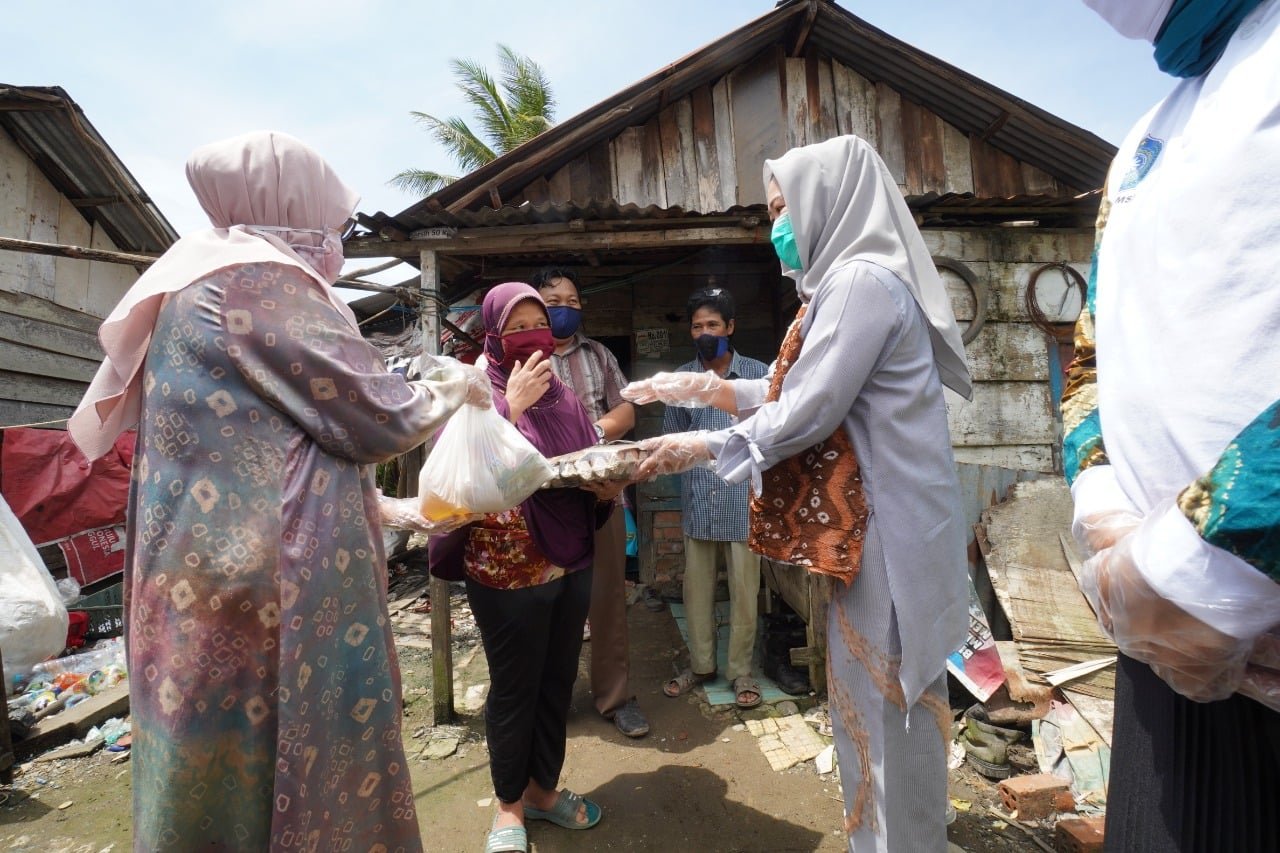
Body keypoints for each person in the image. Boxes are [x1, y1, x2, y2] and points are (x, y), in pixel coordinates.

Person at [67, 131, 489, 851]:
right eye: (334, 226)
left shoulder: (190, 286)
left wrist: (380, 507)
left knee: (212, 798)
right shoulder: (256, 282)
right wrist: (454, 379)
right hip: (263, 610)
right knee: (281, 792)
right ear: (291, 212)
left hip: (198, 593)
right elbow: (377, 414)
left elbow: (257, 453)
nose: (337, 245)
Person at [625, 135, 972, 851]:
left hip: (891, 540)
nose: (775, 226)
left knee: (886, 718)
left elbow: (810, 409)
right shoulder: (845, 287)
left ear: (829, 203)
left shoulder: (861, 285)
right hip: (886, 530)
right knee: (877, 717)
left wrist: (698, 442)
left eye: (783, 209)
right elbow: (792, 390)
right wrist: (715, 390)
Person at [1061, 2, 1280, 849]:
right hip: (1169, 651)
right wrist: (1104, 498)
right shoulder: (1147, 139)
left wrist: (1212, 564)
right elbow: (1092, 352)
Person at [431, 282, 620, 853]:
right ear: (492, 333)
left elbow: (588, 453)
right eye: (515, 326)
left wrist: (607, 483)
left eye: (537, 323)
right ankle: (508, 809)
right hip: (505, 572)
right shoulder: (474, 392)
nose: (529, 334)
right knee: (515, 689)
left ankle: (543, 792)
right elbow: (456, 475)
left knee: (557, 683)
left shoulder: (562, 393)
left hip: (571, 561)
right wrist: (508, 407)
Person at [531, 266, 650, 738]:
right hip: (539, 500)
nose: (566, 307)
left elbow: (626, 408)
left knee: (607, 602)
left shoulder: (598, 355)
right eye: (554, 298)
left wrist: (595, 431)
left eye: (574, 300)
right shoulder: (520, 358)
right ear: (535, 305)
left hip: (602, 495)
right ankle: (548, 701)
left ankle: (615, 697)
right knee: (544, 603)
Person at [660, 286, 769, 710]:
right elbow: (670, 440)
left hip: (744, 504)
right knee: (697, 592)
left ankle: (742, 672)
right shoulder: (683, 380)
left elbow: (773, 436)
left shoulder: (758, 375)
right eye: (698, 325)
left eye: (713, 325)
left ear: (730, 328)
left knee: (745, 593)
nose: (705, 332)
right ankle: (701, 665)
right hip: (700, 502)